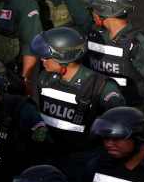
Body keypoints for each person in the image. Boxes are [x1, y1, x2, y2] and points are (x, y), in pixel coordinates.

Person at [30, 27, 125, 170]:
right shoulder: (45, 78)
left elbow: (119, 121)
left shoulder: (100, 86)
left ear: (63, 57)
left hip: (83, 161)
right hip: (48, 155)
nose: (42, 60)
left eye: (47, 57)